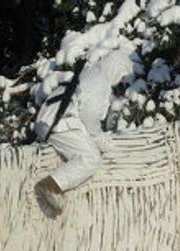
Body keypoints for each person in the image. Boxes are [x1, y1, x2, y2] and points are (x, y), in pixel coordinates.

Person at [33, 49, 138, 215]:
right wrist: (100, 140)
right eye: (122, 75)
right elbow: (88, 116)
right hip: (59, 122)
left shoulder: (94, 74)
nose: (121, 81)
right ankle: (51, 185)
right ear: (117, 67)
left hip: (52, 119)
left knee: (87, 150)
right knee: (91, 158)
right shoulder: (100, 81)